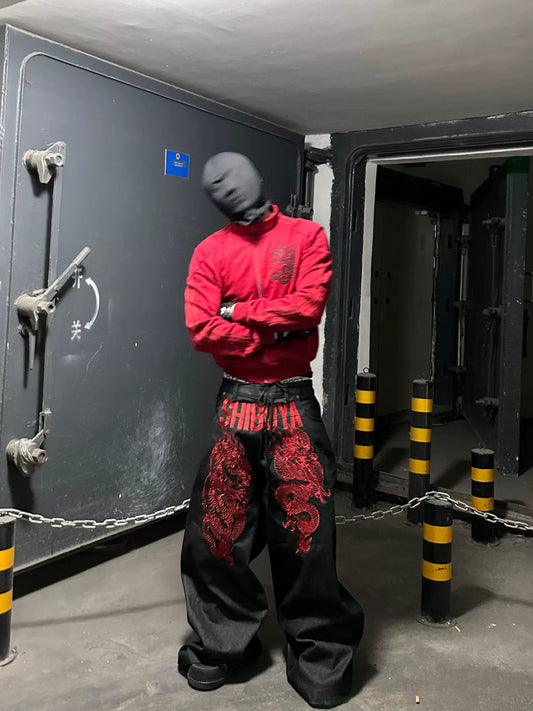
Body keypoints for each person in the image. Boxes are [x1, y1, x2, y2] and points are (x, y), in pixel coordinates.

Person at [178, 152, 364, 709]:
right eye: (212, 182)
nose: (222, 185)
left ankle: (321, 659)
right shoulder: (209, 252)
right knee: (215, 536)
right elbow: (201, 329)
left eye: (230, 174)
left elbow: (307, 309)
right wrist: (269, 331)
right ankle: (223, 646)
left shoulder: (307, 238)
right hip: (236, 401)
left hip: (292, 401)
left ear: (257, 177)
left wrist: (237, 313)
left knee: (307, 539)